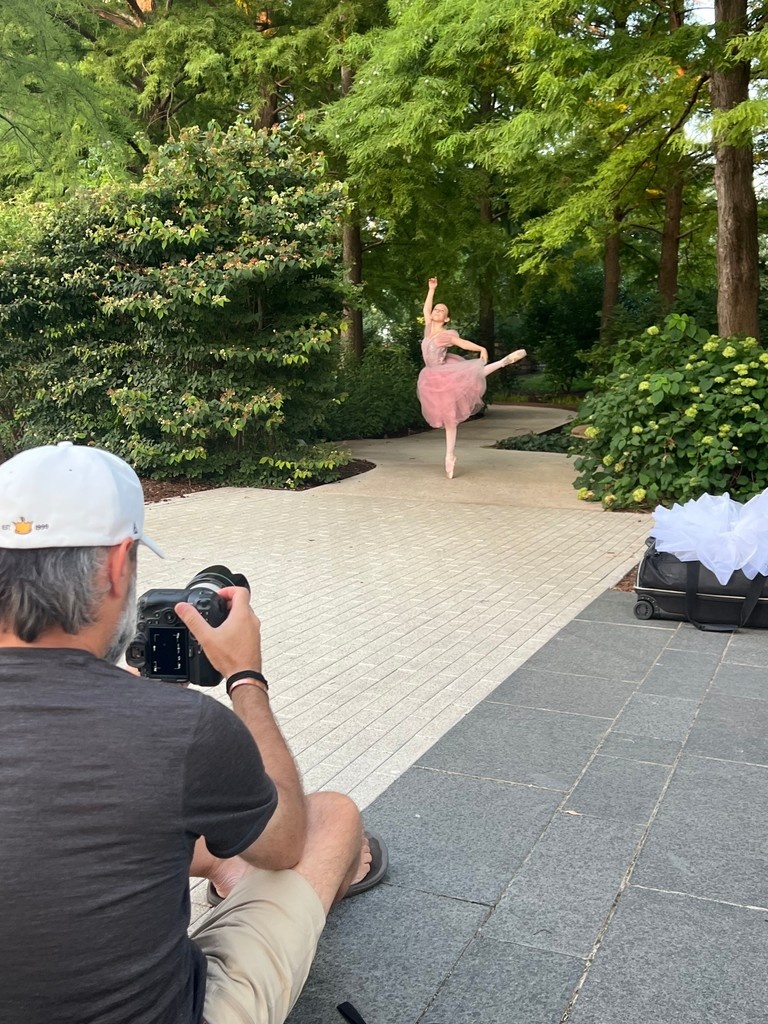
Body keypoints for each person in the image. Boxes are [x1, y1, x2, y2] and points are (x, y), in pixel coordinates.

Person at [0, 441, 387, 1024]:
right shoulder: (182, 730)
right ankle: (241, 873)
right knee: (329, 818)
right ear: (115, 565)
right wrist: (246, 679)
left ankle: (227, 866)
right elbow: (284, 845)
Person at [417, 277, 527, 478]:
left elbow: (463, 343)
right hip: (431, 376)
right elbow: (425, 309)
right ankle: (502, 362)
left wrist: (481, 348)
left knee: (453, 415)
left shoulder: (446, 334)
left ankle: (449, 456)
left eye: (441, 310)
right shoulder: (428, 328)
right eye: (436, 309)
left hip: (443, 373)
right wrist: (431, 289)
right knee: (449, 417)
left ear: (446, 319)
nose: (436, 311)